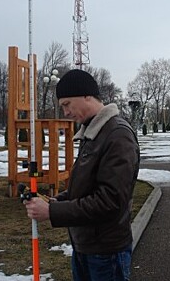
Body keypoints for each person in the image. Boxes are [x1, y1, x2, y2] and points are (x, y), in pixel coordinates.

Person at [24, 69, 140, 281]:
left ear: (87, 95)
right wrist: (56, 201)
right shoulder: (93, 132)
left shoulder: (117, 134)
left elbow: (110, 201)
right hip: (87, 246)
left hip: (106, 252)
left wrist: (53, 212)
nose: (66, 113)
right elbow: (86, 187)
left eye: (67, 104)